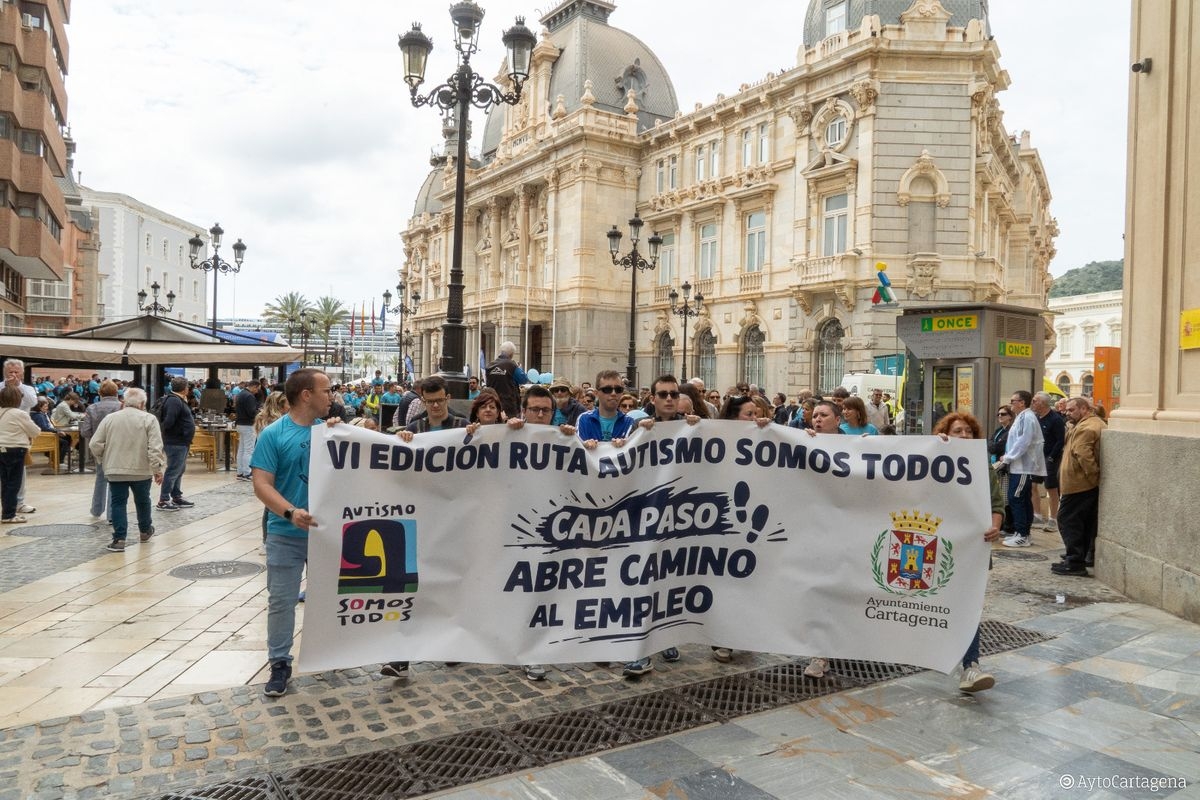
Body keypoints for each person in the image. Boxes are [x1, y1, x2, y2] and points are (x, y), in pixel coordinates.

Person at [252, 368, 335, 697]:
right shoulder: (273, 435)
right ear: (306, 395)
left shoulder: (328, 433)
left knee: (330, 600)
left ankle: (332, 652)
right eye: (326, 391)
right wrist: (290, 512)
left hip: (325, 536)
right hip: (285, 533)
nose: (332, 397)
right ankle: (279, 664)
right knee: (282, 602)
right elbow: (261, 484)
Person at [620, 374, 703, 677]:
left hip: (681, 518)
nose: (669, 399)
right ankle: (640, 651)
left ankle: (667, 636)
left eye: (672, 394)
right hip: (645, 517)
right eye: (662, 394)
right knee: (643, 581)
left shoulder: (693, 426)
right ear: (652, 399)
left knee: (672, 579)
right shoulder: (637, 427)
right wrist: (633, 436)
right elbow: (616, 458)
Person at [933, 411, 1003, 693]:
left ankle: (970, 666)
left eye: (968, 432)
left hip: (970, 548)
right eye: (957, 431)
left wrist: (996, 526)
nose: (964, 436)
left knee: (969, 606)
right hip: (936, 547)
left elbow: (996, 503)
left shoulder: (982, 466)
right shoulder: (930, 458)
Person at [89, 387, 165, 553]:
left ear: (123, 401)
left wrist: (103, 459)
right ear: (143, 403)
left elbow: (95, 444)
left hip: (115, 469)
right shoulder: (149, 419)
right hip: (141, 469)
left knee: (118, 502)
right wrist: (157, 469)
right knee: (143, 500)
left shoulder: (110, 419)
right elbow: (155, 448)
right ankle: (145, 531)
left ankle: (119, 539)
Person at [1053, 397, 1105, 576]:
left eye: (1071, 410)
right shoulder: (1084, 425)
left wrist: (1093, 477)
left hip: (1079, 485)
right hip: (1077, 484)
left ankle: (1074, 561)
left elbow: (1083, 454)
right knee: (1082, 523)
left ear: (1084, 409)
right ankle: (1077, 557)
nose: (1067, 413)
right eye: (1066, 410)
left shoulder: (1086, 428)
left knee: (1067, 520)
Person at [995, 390, 1045, 548]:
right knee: (1020, 499)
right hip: (1017, 466)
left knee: (1016, 498)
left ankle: (1022, 534)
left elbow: (1024, 442)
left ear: (1022, 402)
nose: (1011, 404)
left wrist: (1008, 457)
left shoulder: (1028, 417)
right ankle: (1021, 532)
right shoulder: (1022, 417)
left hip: (1024, 467)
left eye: (1013, 400)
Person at [79, 381, 122, 522]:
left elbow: (85, 431)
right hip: (118, 447)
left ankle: (96, 509)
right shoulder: (122, 407)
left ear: (100, 393)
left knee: (100, 478)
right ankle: (112, 514)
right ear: (117, 392)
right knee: (115, 481)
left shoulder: (92, 408)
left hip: (99, 448)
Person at [0, 386, 40, 525]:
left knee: (5, 482)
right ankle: (9, 514)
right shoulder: (19, 414)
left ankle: (6, 511)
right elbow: (35, 431)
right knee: (14, 483)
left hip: (1, 449)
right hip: (15, 449)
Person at [158, 378, 196, 512]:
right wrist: (180, 432)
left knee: (179, 470)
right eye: (187, 387)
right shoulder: (174, 401)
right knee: (173, 470)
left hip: (182, 441)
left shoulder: (178, 399)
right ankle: (163, 499)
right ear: (185, 388)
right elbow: (169, 421)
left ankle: (176, 496)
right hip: (176, 442)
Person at [1030, 391, 1066, 532]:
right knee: (1033, 485)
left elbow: (1060, 440)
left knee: (1051, 488)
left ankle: (1053, 519)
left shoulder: (1055, 419)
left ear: (1043, 403)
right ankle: (1037, 515)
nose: (1033, 403)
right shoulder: (1036, 418)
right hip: (1037, 458)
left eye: (1035, 401)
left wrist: (1051, 457)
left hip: (1050, 458)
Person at [576, 370, 635, 448]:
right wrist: (585, 445)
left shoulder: (630, 422)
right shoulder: (584, 419)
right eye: (607, 389)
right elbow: (579, 450)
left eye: (618, 389)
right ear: (596, 393)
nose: (613, 393)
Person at [397, 376, 467, 439]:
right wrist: (402, 438)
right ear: (423, 401)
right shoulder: (413, 428)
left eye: (440, 400)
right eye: (430, 401)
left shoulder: (463, 425)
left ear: (448, 398)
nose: (435, 405)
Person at [484, 341, 528, 419]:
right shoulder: (511, 365)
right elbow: (523, 379)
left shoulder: (489, 365)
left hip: (492, 403)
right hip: (509, 405)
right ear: (511, 354)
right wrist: (518, 367)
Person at [30, 397, 71, 465]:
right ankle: (59, 461)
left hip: (48, 434)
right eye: (45, 406)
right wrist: (57, 431)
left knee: (68, 437)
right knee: (65, 442)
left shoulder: (42, 414)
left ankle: (56, 458)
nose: (47, 408)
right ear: (39, 407)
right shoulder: (39, 416)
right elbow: (44, 428)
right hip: (44, 437)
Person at [234, 380, 262, 482]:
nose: (257, 391)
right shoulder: (249, 396)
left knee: (241, 449)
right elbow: (251, 412)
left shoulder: (241, 393)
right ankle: (247, 473)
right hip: (248, 425)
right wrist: (259, 412)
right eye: (257, 388)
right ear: (254, 386)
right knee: (249, 449)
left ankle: (240, 472)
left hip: (240, 423)